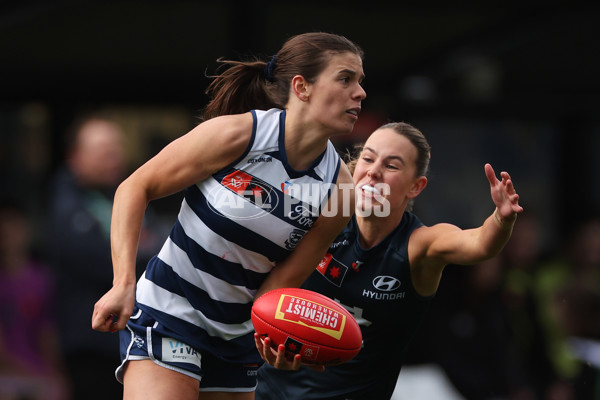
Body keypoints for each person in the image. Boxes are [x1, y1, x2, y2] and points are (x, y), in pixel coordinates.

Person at [91, 32, 366, 399]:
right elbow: (134, 188)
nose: (360, 92)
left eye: (361, 81)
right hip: (171, 311)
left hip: (236, 339)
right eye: (345, 78)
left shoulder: (339, 192)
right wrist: (123, 283)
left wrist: (281, 340)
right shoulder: (240, 135)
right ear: (302, 87)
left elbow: (277, 287)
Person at [254, 121, 523, 399]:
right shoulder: (318, 212)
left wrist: (501, 219)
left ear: (415, 187)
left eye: (391, 166)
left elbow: (478, 244)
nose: (374, 171)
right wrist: (267, 340)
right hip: (267, 390)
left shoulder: (419, 246)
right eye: (368, 159)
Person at [44, 113, 161, 399]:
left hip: (134, 337)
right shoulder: (65, 200)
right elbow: (96, 259)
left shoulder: (124, 193)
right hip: (89, 342)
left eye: (116, 149)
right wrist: (142, 250)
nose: (113, 157)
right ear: (75, 157)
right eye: (102, 151)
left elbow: (163, 243)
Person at [0, 198, 68, 400]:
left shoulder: (43, 279)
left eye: (15, 228)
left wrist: (55, 372)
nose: (9, 236)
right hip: (9, 376)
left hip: (39, 374)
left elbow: (48, 333)